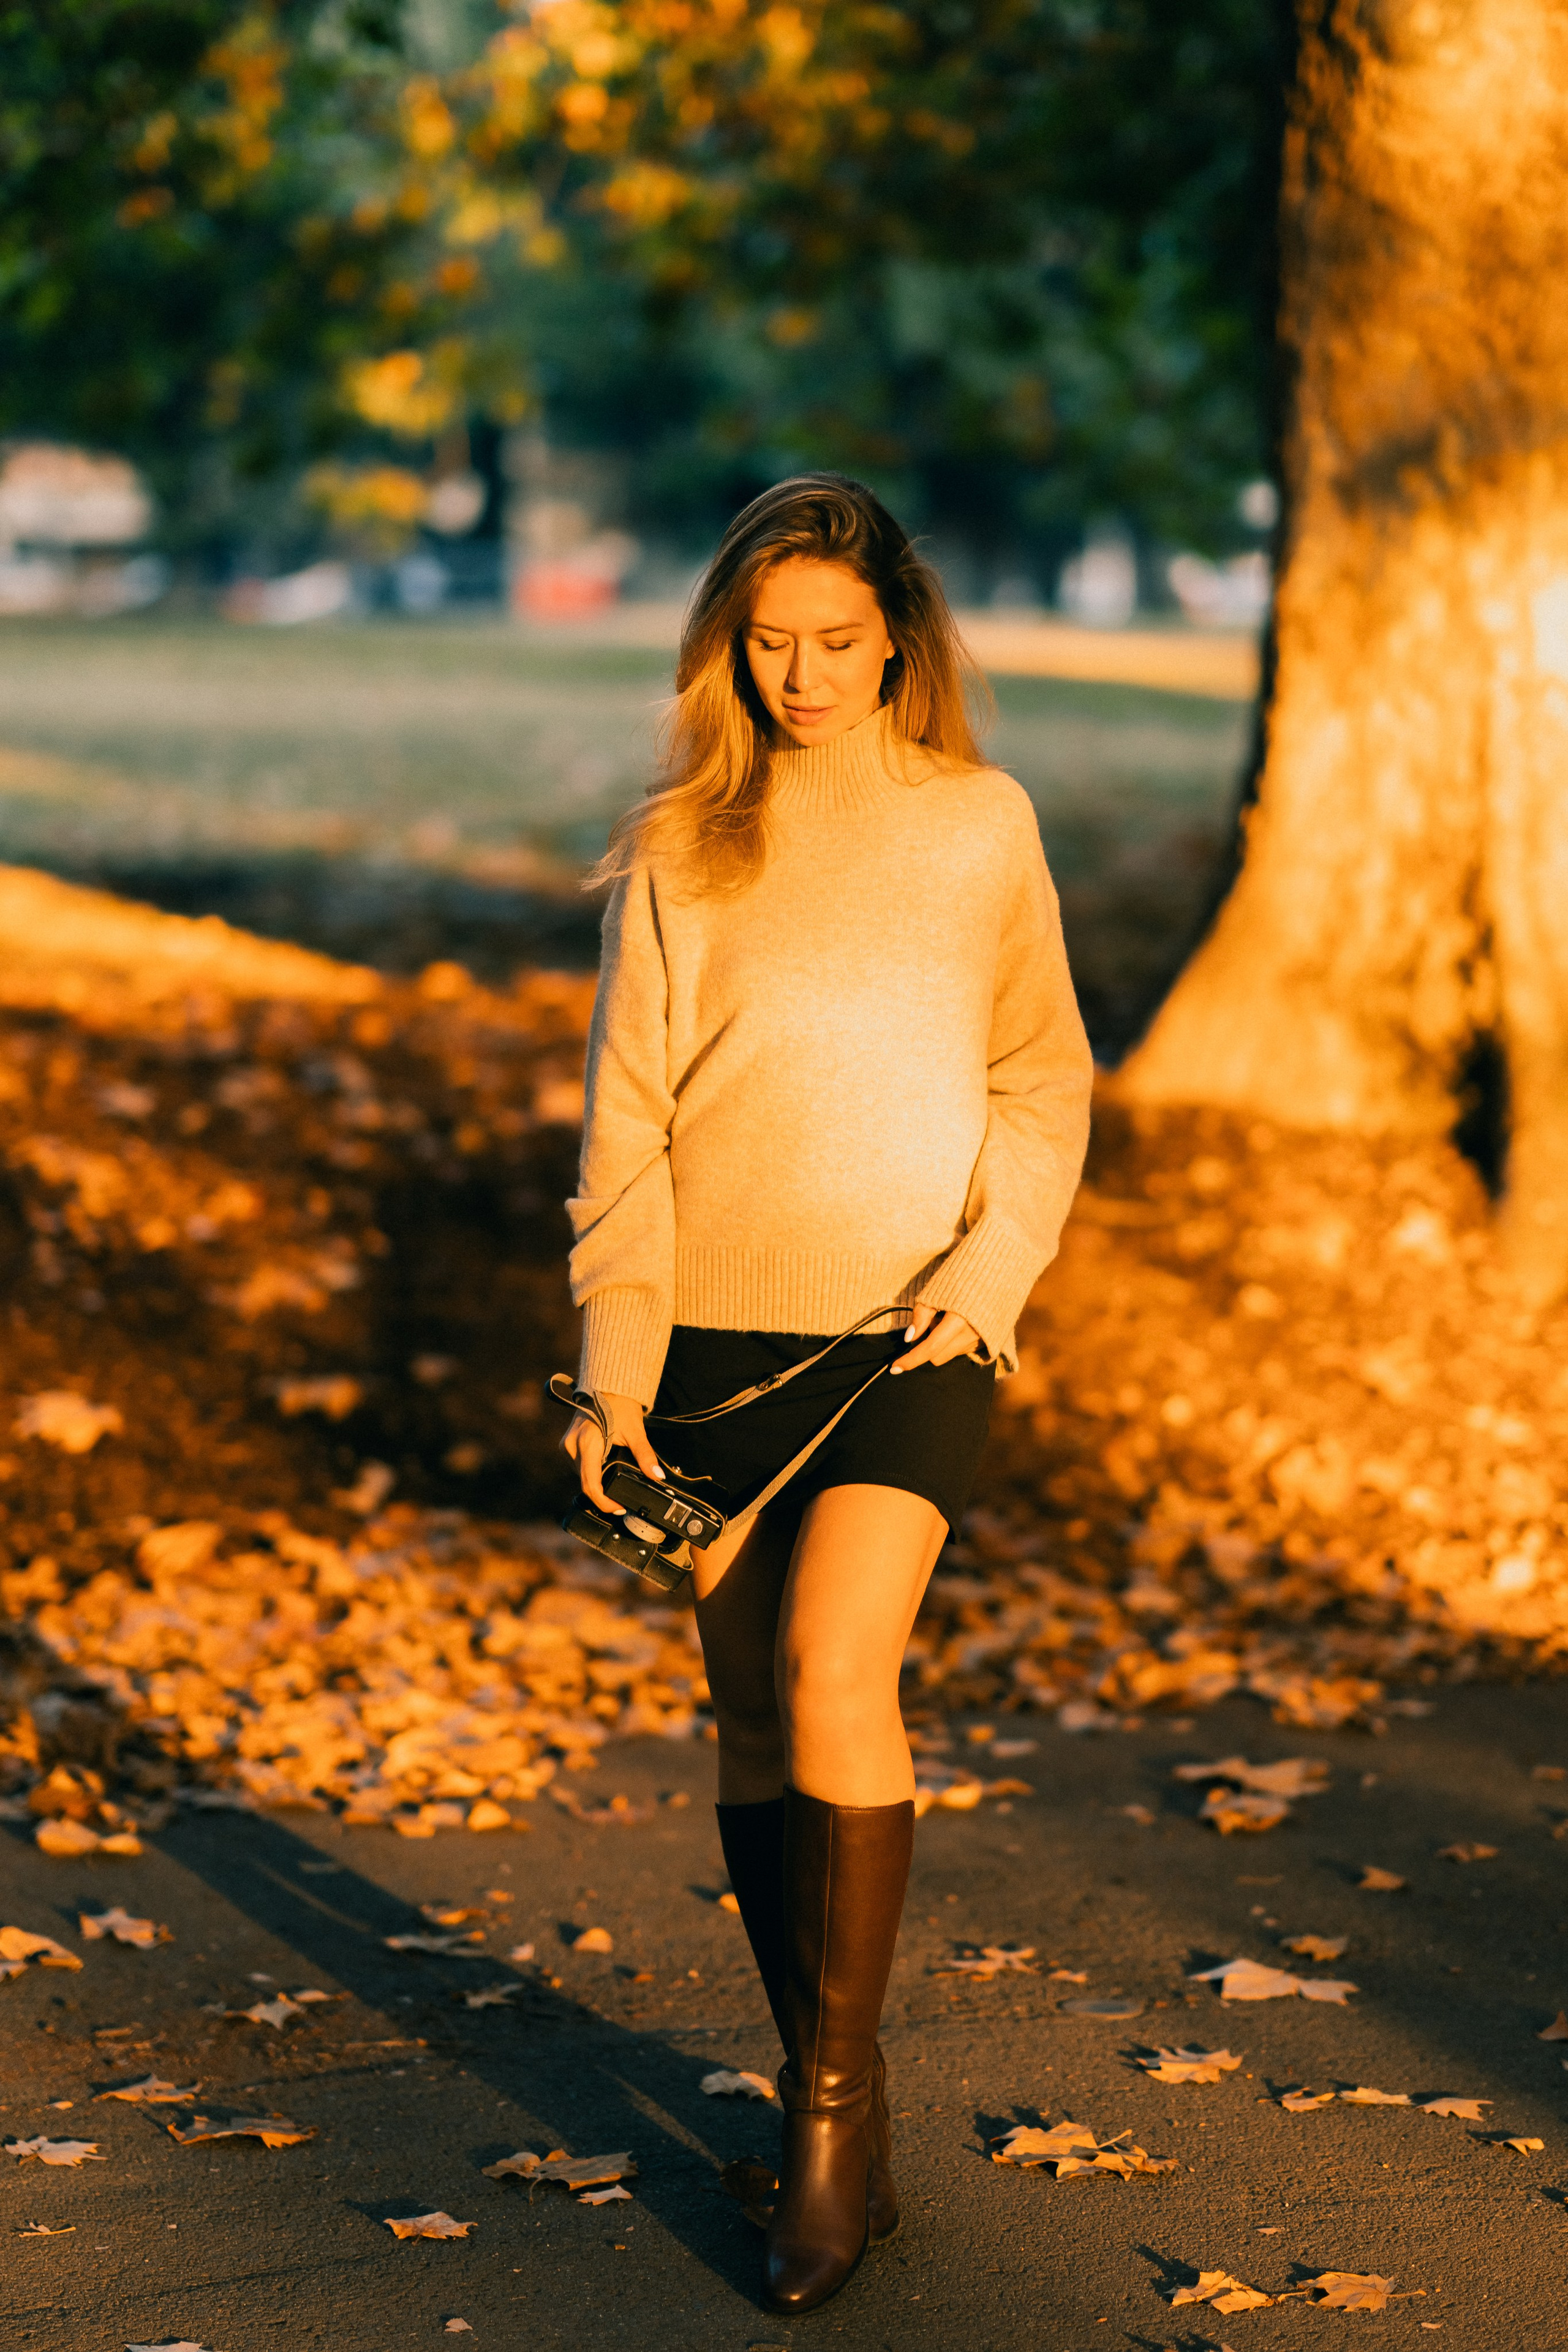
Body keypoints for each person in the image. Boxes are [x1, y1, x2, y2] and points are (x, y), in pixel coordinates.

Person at [562, 473, 1092, 2312]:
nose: (803, 675)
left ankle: (826, 2114)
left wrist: (992, 1270)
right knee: (747, 1732)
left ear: (901, 642)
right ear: (730, 647)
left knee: (833, 1673)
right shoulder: (683, 851)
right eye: (770, 644)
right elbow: (625, 1132)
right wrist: (612, 1375)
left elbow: (1044, 1083)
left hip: (919, 1337)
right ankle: (831, 2100)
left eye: (838, 645)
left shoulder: (978, 826)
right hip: (711, 1350)